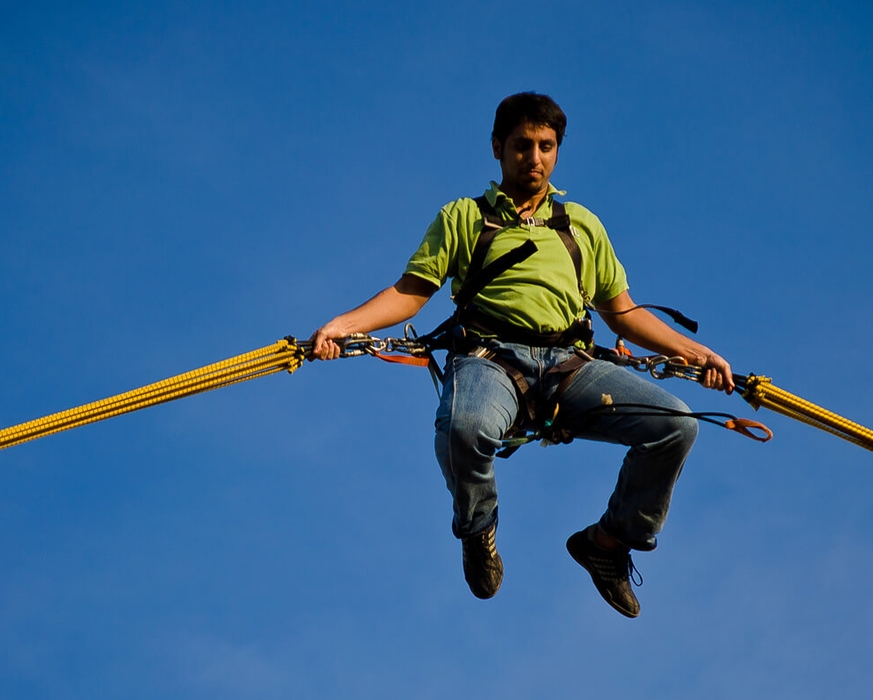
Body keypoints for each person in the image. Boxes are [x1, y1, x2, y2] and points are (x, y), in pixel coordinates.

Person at [311, 92, 734, 617]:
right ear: (497, 148)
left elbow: (621, 312)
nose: (534, 158)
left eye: (546, 146)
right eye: (522, 146)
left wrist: (695, 354)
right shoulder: (465, 217)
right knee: (463, 428)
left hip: (570, 369)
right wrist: (342, 326)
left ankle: (607, 545)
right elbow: (410, 292)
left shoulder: (580, 225)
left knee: (677, 425)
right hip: (490, 360)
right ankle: (478, 526)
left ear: (557, 151)